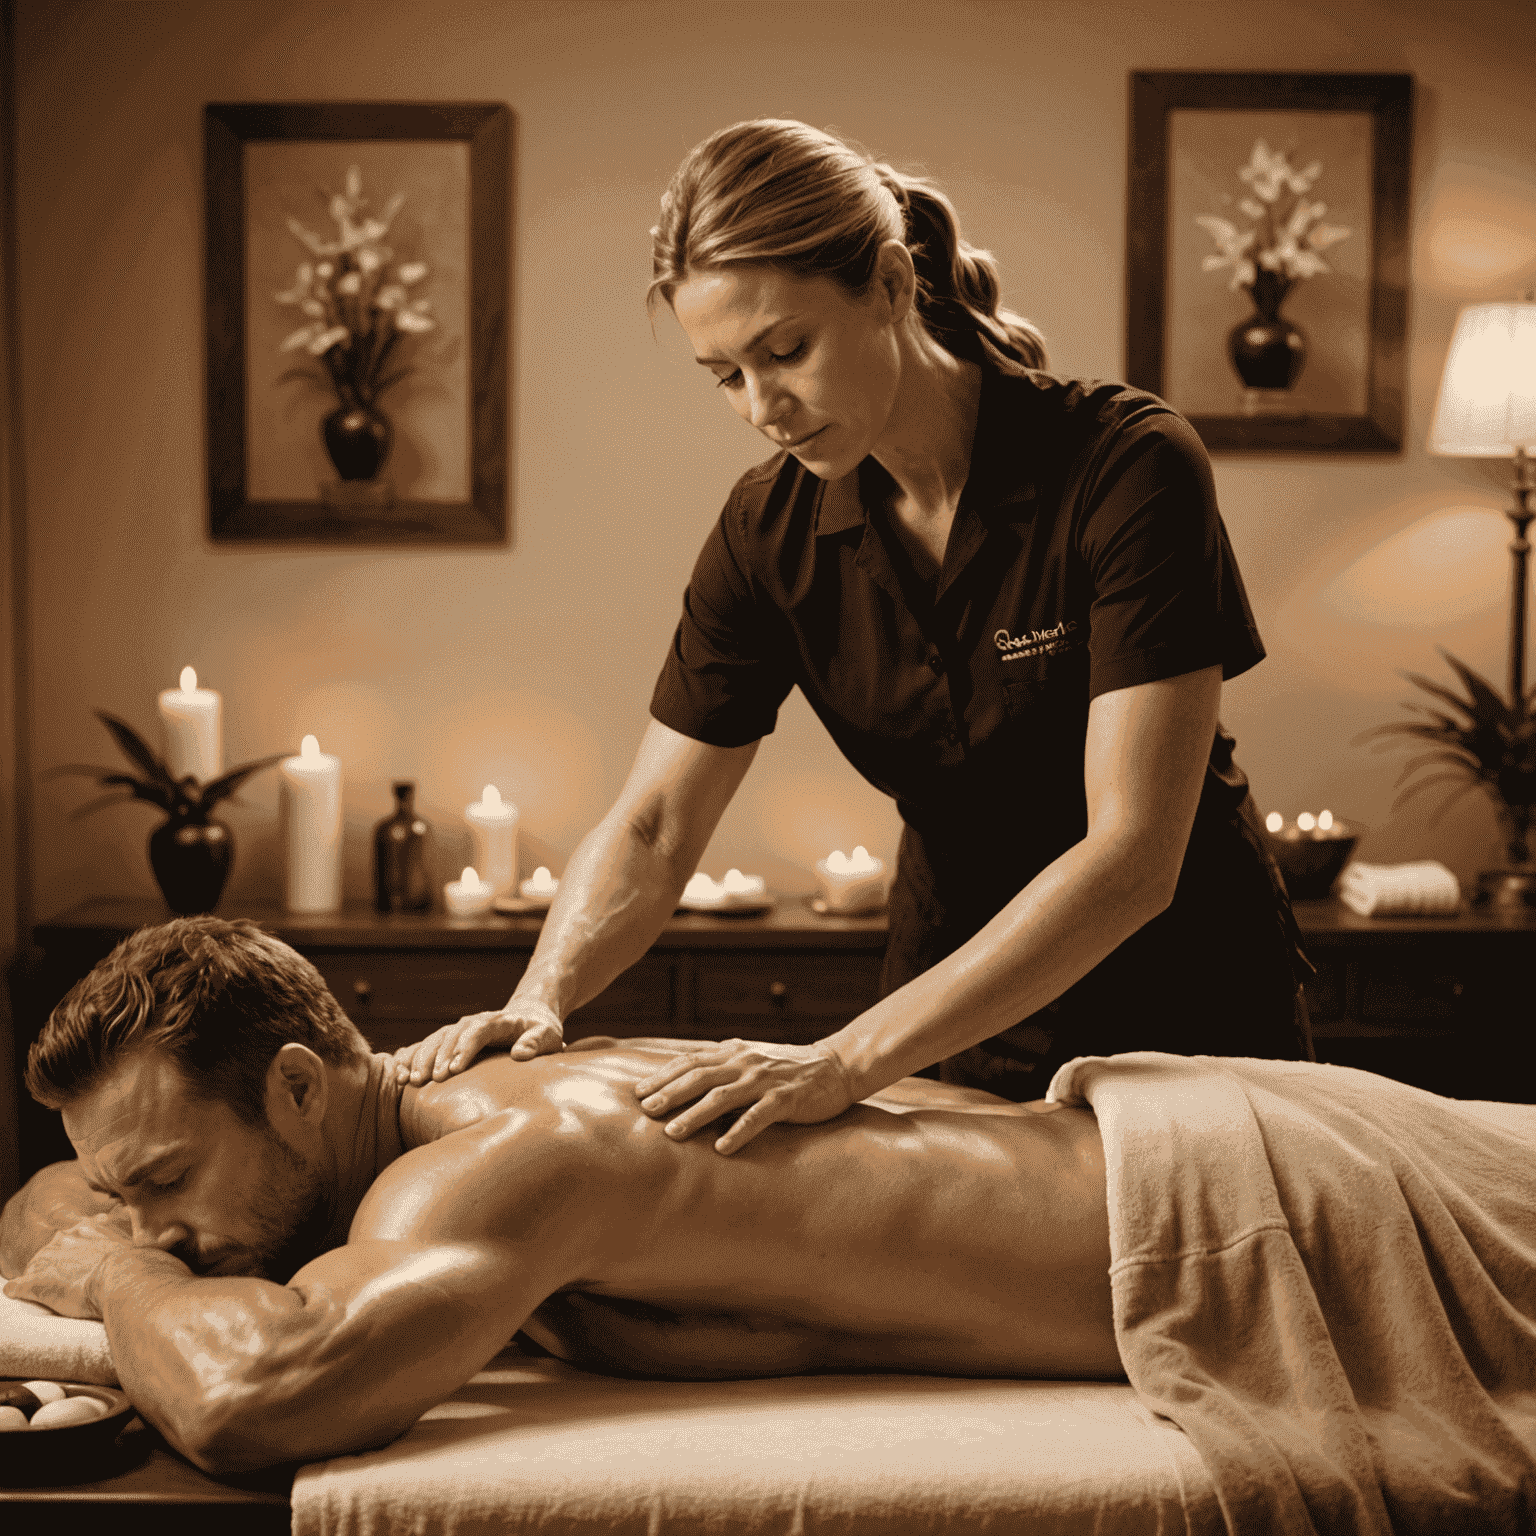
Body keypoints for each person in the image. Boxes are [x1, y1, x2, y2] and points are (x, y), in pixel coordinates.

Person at [391, 117, 1310, 1153]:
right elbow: (653, 827)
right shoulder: (767, 531)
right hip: (950, 1021)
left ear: (888, 283)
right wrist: (543, 997)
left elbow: (1134, 855)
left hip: (1187, 1015)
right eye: (726, 375)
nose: (762, 407)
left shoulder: (1127, 466)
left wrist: (845, 1059)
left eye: (787, 350)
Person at [2, 917, 1123, 1474]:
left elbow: (252, 1395)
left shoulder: (496, 1157)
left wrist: (114, 1271)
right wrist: (119, 1220)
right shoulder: (421, 1123)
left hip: (1217, 1214)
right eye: (126, 1196)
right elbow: (41, 1199)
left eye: (165, 1183)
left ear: (297, 1085)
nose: (159, 1233)